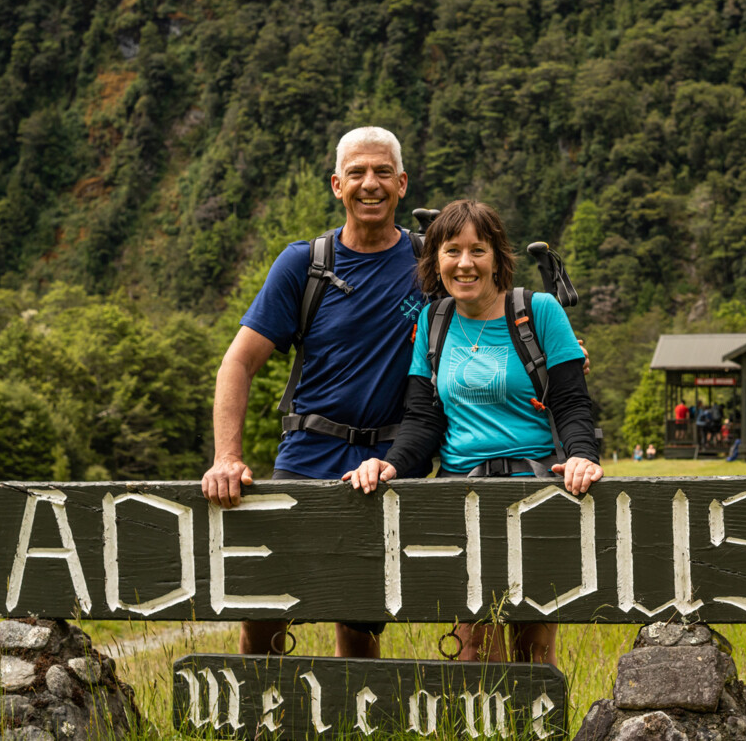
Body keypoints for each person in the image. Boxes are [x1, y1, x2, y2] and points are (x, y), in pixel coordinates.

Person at [344, 198, 603, 666]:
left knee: (533, 657)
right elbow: (423, 419)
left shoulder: (538, 311)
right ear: (435, 260)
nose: (465, 263)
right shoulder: (433, 321)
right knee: (475, 658)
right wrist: (393, 463)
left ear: (498, 258)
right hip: (461, 497)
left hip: (535, 493)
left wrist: (583, 454)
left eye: (477, 251)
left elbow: (570, 402)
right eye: (451, 251)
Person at [200, 126, 425, 659]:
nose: (370, 183)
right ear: (336, 184)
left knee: (362, 618)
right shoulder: (305, 264)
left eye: (381, 172)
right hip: (306, 455)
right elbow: (238, 362)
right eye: (357, 173)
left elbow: (487, 314)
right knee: (264, 607)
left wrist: (551, 340)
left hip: (390, 461)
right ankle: (259, 721)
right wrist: (227, 457)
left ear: (402, 183)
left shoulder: (428, 265)